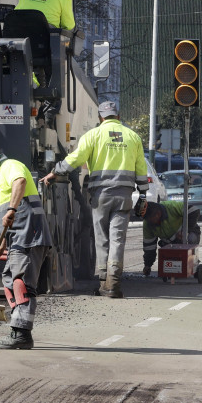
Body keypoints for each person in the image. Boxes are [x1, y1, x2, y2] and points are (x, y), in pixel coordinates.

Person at [40, 101, 148, 298]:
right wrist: (143, 194)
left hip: (101, 196)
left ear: (100, 117)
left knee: (101, 238)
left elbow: (76, 158)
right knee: (117, 238)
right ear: (118, 115)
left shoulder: (93, 135)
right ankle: (113, 283)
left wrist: (55, 171)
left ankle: (103, 282)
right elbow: (141, 169)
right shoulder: (133, 137)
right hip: (123, 195)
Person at [0, 147, 53, 350]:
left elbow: (20, 182)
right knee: (9, 280)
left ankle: (22, 334)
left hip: (29, 235)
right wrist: (0, 246)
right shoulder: (0, 178)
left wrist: (11, 209)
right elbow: (9, 226)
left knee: (22, 282)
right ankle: (18, 329)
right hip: (20, 238)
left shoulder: (10, 165)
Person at [138, 200, 201, 277]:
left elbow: (194, 210)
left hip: (189, 234)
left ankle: (193, 263)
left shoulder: (171, 207)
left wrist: (185, 231)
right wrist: (148, 265)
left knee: (191, 239)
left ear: (157, 214)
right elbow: (149, 247)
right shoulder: (147, 224)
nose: (149, 222)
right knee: (166, 252)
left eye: (150, 219)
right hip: (171, 241)